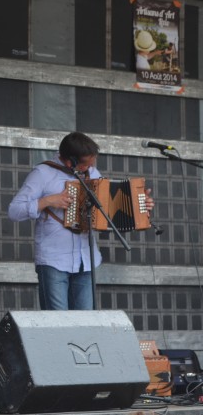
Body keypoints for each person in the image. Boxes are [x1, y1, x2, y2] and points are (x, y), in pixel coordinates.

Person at [8, 131, 154, 311]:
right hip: (54, 261)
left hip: (86, 260)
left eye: (93, 163)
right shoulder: (42, 173)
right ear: (70, 161)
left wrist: (140, 206)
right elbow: (14, 211)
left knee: (85, 321)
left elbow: (109, 210)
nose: (91, 167)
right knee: (57, 321)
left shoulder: (92, 174)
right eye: (86, 164)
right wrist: (47, 201)